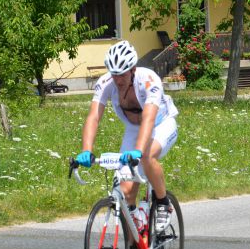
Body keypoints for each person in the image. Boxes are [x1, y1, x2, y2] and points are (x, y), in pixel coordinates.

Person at [76, 40, 178, 234]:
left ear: (132, 69)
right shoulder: (106, 83)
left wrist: (138, 151)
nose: (118, 79)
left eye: (122, 74)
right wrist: (86, 150)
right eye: (114, 74)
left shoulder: (149, 80)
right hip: (134, 128)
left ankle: (163, 202)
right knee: (125, 193)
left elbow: (148, 119)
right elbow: (94, 116)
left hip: (161, 124)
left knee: (146, 156)